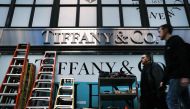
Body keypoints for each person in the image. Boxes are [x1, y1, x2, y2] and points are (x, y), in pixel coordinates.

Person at [158, 24, 190, 109]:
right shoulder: (168, 44)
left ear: (165, 30)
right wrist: (163, 80)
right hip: (176, 77)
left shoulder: (176, 40)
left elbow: (184, 57)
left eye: (160, 31)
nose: (158, 34)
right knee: (185, 101)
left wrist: (185, 76)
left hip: (177, 77)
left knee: (171, 100)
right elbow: (169, 65)